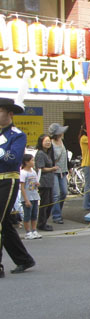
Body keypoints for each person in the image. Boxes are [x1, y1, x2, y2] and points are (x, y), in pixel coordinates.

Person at [0, 96, 36, 277]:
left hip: (8, 180)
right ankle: (24, 259)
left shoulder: (17, 135)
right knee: (4, 223)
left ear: (10, 114)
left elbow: (13, 159)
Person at [35, 134, 57, 233]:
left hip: (50, 181)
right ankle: (41, 223)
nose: (48, 143)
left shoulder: (48, 153)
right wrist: (52, 169)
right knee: (45, 203)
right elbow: (41, 168)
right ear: (41, 142)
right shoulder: (40, 154)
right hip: (43, 181)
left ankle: (44, 222)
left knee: (50, 202)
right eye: (46, 141)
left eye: (49, 141)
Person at [48, 123, 69, 225]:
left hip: (63, 171)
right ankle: (56, 216)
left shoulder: (63, 141)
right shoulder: (50, 144)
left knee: (64, 192)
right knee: (55, 194)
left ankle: (58, 211)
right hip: (53, 171)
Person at [19, 153, 41, 240]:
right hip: (27, 197)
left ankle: (34, 230)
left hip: (34, 195)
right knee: (27, 214)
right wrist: (26, 199)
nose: (33, 162)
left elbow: (35, 183)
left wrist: (37, 184)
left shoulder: (33, 172)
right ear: (26, 162)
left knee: (34, 214)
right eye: (32, 160)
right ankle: (28, 232)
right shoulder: (23, 173)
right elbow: (22, 187)